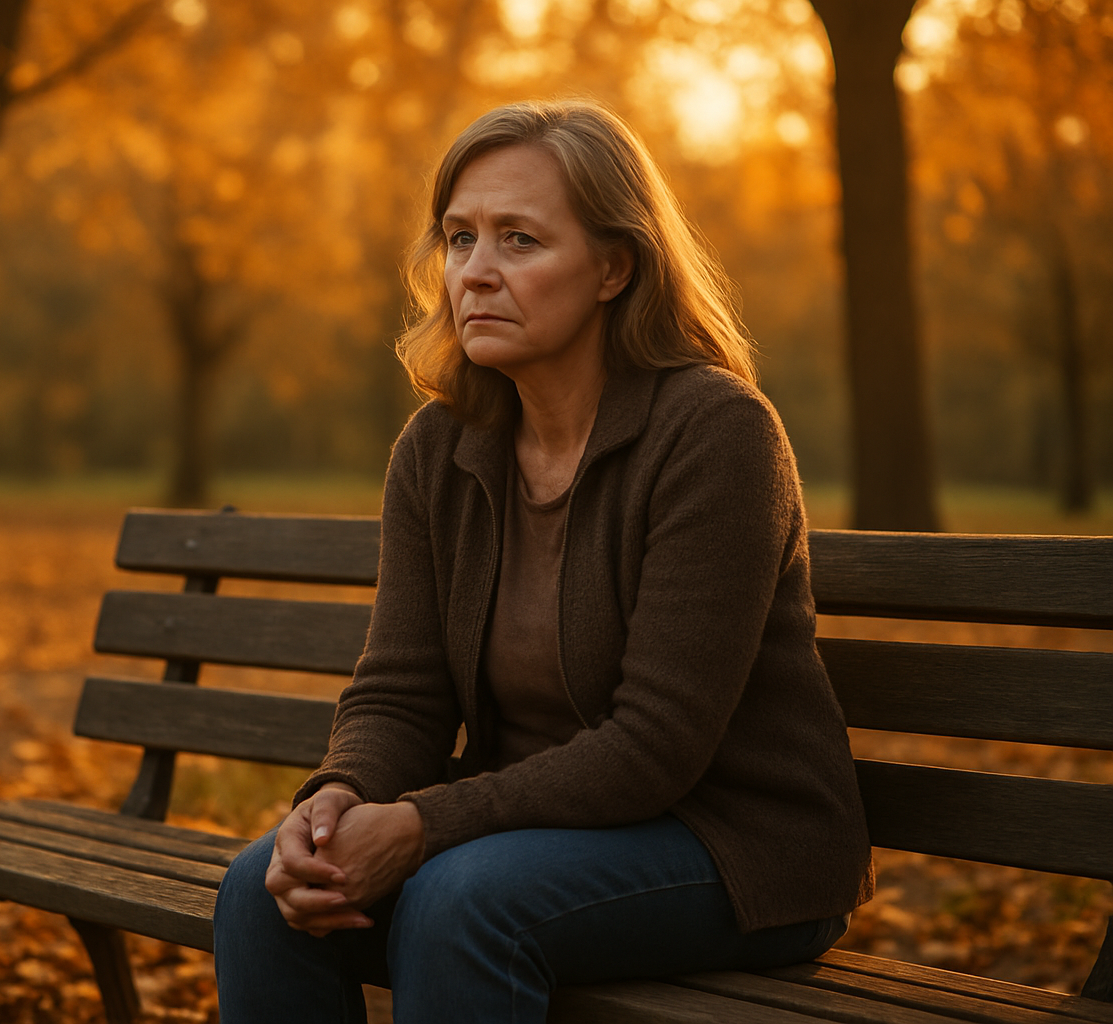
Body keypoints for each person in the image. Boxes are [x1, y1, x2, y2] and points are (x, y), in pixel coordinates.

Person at [212, 99, 873, 1023]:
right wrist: (336, 803)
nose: (474, 274)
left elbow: (656, 745)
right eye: (458, 238)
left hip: (728, 845)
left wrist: (421, 826)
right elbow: (401, 690)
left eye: (519, 240)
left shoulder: (716, 435)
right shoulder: (440, 449)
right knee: (263, 891)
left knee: (460, 902)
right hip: (523, 837)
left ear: (614, 267)